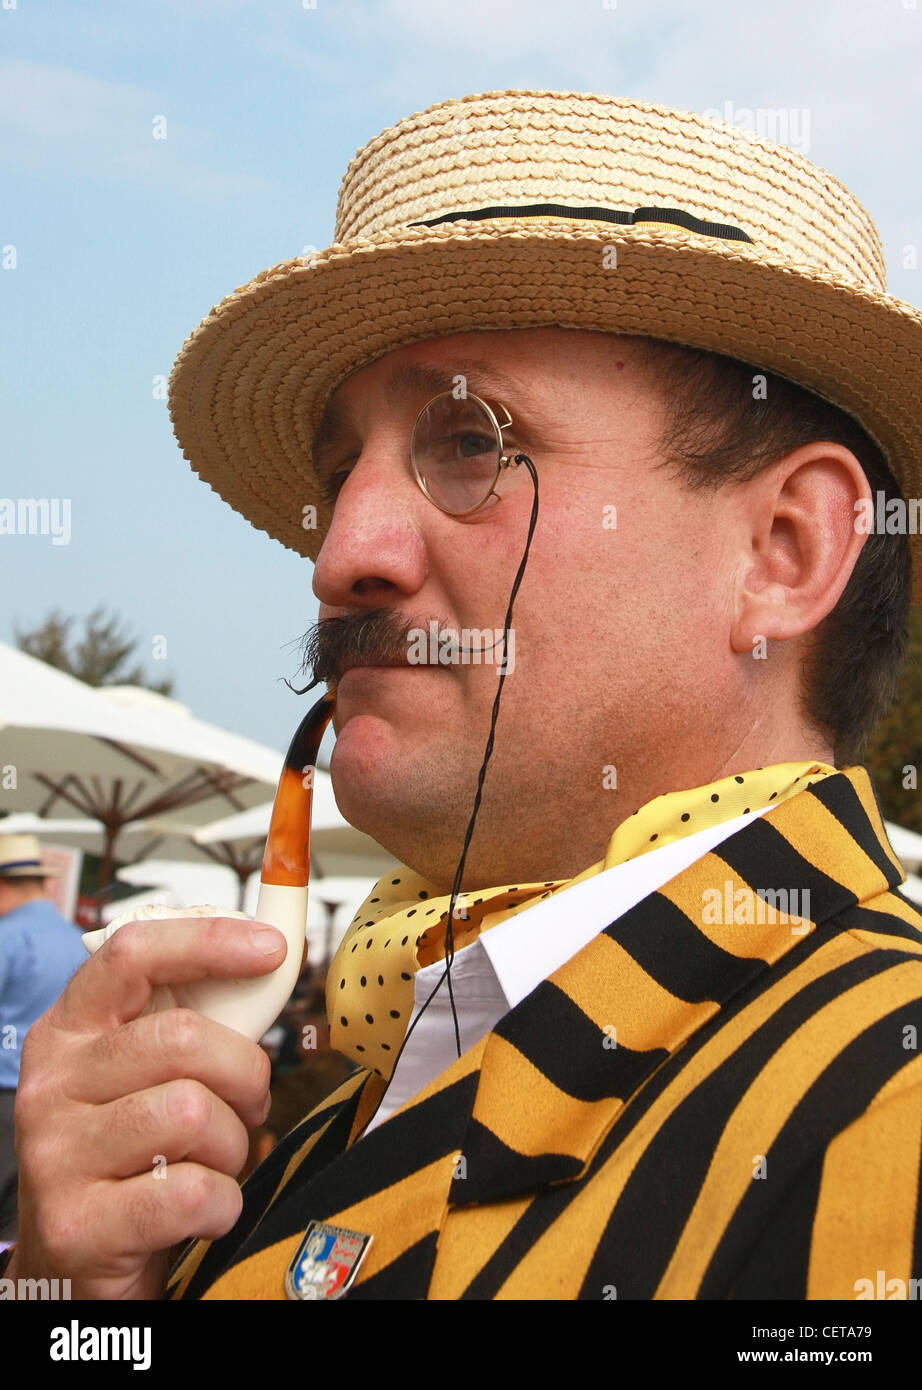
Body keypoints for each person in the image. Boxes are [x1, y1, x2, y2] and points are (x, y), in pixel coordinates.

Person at [4, 89, 922, 1301]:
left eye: (472, 439)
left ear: (785, 550)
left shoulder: (886, 1111)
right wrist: (76, 1301)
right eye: (343, 473)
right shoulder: (347, 1104)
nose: (342, 554)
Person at [0, 835, 87, 1247]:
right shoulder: (78, 941)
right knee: (18, 1227)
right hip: (57, 1100)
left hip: (3, 1095)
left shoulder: (7, 937)